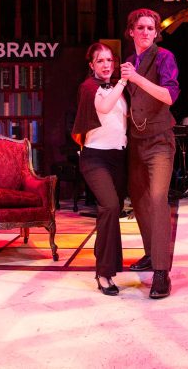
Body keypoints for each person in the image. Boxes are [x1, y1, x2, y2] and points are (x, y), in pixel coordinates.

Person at [120, 8, 180, 299]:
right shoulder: (129, 61)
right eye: (140, 27)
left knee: (157, 200)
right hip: (136, 139)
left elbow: (169, 95)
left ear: (156, 33)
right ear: (131, 31)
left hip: (159, 140)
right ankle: (150, 253)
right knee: (140, 200)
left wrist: (136, 78)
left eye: (150, 28)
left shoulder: (164, 57)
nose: (145, 32)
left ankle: (161, 271)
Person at [71, 42, 129, 296]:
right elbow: (104, 108)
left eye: (109, 60)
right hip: (95, 157)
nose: (106, 65)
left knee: (112, 213)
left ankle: (106, 264)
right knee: (110, 206)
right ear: (92, 65)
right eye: (100, 61)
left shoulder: (118, 90)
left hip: (119, 157)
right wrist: (123, 82)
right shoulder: (89, 87)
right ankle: (103, 273)